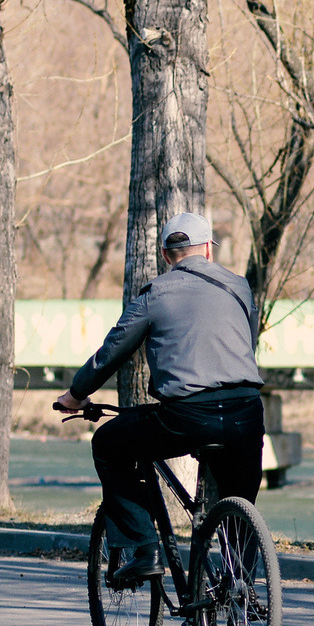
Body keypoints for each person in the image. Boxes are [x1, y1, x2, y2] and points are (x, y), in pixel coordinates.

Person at [53, 213, 265, 587]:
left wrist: (76, 395)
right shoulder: (240, 287)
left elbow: (112, 352)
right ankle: (241, 593)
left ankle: (144, 548)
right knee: (240, 503)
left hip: (186, 416)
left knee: (108, 443)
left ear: (167, 255)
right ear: (208, 250)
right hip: (245, 412)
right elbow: (244, 345)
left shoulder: (156, 294)